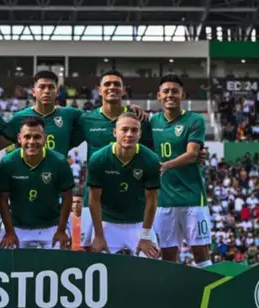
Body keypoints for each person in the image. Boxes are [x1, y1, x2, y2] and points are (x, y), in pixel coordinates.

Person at [72, 70, 156, 251]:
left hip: (132, 203)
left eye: (117, 84)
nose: (112, 87)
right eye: (107, 84)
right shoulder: (87, 119)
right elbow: (63, 141)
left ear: (124, 90)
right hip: (95, 200)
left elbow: (154, 153)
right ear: (99, 90)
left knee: (146, 258)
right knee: (92, 257)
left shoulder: (138, 119)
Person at [150, 74, 212, 267]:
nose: (170, 95)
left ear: (183, 95)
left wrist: (164, 166)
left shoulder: (194, 120)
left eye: (175, 91)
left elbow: (192, 154)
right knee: (168, 257)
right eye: (166, 91)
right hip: (164, 199)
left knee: (201, 254)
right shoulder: (152, 122)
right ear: (159, 95)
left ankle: (210, 286)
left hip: (192, 197)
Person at [87, 112, 161, 257]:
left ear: (140, 134)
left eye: (134, 130)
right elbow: (94, 200)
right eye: (124, 129)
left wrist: (145, 237)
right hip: (107, 223)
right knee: (100, 268)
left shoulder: (151, 159)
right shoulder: (99, 158)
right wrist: (99, 235)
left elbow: (152, 200)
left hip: (139, 224)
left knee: (152, 266)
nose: (129, 134)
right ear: (115, 132)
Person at [0, 117, 73, 249]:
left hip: (52, 226)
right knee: (8, 257)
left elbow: (67, 197)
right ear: (19, 138)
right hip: (17, 227)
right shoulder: (8, 162)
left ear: (45, 138)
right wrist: (9, 232)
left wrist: (61, 230)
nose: (32, 142)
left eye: (37, 137)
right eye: (27, 137)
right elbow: (2, 199)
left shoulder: (59, 161)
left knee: (60, 257)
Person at [1, 70, 83, 156]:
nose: (46, 91)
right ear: (33, 92)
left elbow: (91, 120)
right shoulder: (18, 118)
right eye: (42, 87)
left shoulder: (69, 114)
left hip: (59, 165)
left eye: (51, 87)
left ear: (57, 92)